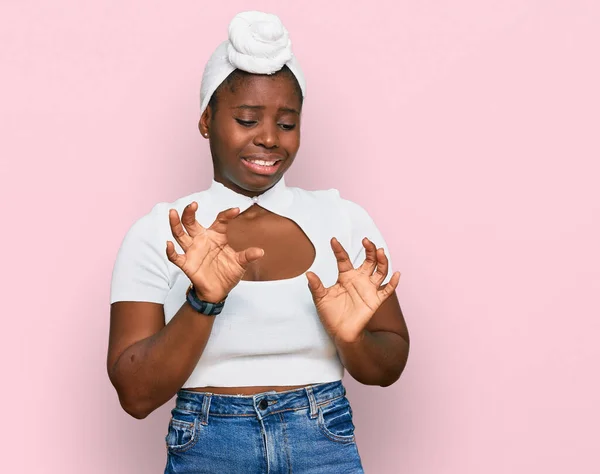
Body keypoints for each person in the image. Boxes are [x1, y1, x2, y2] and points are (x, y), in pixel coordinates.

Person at [107, 10, 409, 474]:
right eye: (247, 119)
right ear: (207, 120)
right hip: (208, 448)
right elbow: (136, 395)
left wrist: (352, 341)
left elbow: (386, 369)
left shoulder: (343, 221)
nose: (269, 138)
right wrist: (203, 302)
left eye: (287, 124)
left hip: (323, 442)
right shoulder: (160, 233)